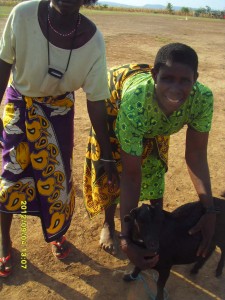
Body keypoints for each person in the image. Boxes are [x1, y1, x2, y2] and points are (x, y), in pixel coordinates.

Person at [0, 0, 118, 277]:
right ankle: (4, 239)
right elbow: (3, 64)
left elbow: (96, 99)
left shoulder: (93, 40)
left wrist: (106, 151)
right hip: (19, 107)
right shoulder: (22, 14)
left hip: (59, 114)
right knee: (9, 176)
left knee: (56, 179)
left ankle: (56, 233)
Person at [83, 43, 216, 269]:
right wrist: (126, 240)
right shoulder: (136, 103)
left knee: (154, 167)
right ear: (155, 75)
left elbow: (195, 155)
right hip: (115, 108)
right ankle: (109, 224)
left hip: (154, 119)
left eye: (185, 80)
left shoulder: (202, 98)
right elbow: (132, 176)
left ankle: (156, 224)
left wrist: (209, 210)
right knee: (114, 170)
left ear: (196, 78)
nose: (175, 88)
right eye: (168, 78)